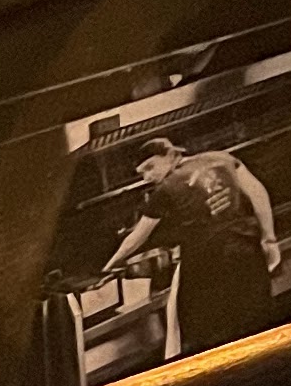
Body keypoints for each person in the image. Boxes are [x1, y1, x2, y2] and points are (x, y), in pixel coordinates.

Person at [102, 135, 281, 361]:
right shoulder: (223, 158)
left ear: (171, 154)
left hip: (208, 268)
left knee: (213, 341)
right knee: (259, 328)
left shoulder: (166, 189)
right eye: (142, 173)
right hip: (247, 252)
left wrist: (110, 265)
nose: (148, 177)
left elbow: (137, 237)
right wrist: (269, 238)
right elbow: (258, 193)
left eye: (150, 167)